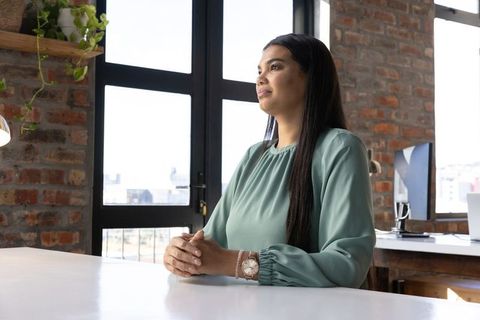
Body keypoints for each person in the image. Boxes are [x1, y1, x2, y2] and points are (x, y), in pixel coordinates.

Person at [163, 33, 375, 287]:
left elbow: (346, 265)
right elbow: (210, 244)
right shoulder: (255, 156)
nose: (260, 78)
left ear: (311, 77)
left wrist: (237, 263)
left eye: (275, 67)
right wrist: (185, 256)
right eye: (259, 70)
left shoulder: (341, 149)